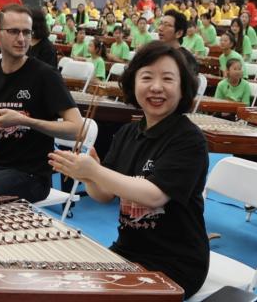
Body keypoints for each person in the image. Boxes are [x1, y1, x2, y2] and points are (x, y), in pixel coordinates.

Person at [48, 41, 209, 298]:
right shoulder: (127, 133)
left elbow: (155, 195)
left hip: (176, 264)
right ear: (133, 84)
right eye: (146, 77)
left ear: (183, 89)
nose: (156, 87)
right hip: (127, 251)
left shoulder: (189, 139)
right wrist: (88, 175)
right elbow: (104, 196)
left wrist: (96, 171)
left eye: (168, 79)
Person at [0, 4, 82, 202]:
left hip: (32, 175)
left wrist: (26, 121)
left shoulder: (46, 76)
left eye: (26, 32)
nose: (21, 39)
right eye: (14, 31)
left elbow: (77, 129)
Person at [157, 10, 199, 75]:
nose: (160, 28)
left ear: (179, 33)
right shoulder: (157, 53)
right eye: (160, 24)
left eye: (167, 25)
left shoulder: (186, 59)